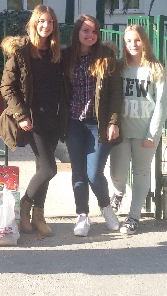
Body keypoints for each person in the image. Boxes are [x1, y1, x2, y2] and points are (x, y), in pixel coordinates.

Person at [0, 5, 67, 237]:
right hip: (33, 120)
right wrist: (21, 115)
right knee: (49, 168)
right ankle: (24, 207)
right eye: (42, 21)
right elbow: (7, 87)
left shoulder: (57, 53)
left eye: (51, 22)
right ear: (34, 24)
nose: (46, 26)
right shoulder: (21, 52)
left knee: (41, 169)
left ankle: (38, 217)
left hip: (54, 118)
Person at [62, 14, 122, 237]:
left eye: (94, 31)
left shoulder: (106, 56)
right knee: (78, 172)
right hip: (73, 123)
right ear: (77, 32)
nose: (90, 35)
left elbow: (116, 93)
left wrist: (113, 122)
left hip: (99, 124)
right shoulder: (66, 57)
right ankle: (82, 216)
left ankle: (106, 208)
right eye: (86, 30)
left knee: (94, 173)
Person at [109, 24, 167, 234]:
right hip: (122, 130)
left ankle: (133, 217)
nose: (133, 44)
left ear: (144, 42)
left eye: (137, 40)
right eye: (128, 41)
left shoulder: (155, 68)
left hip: (145, 132)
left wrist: (152, 134)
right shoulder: (119, 67)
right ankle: (118, 192)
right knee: (117, 172)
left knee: (141, 173)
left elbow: (162, 104)